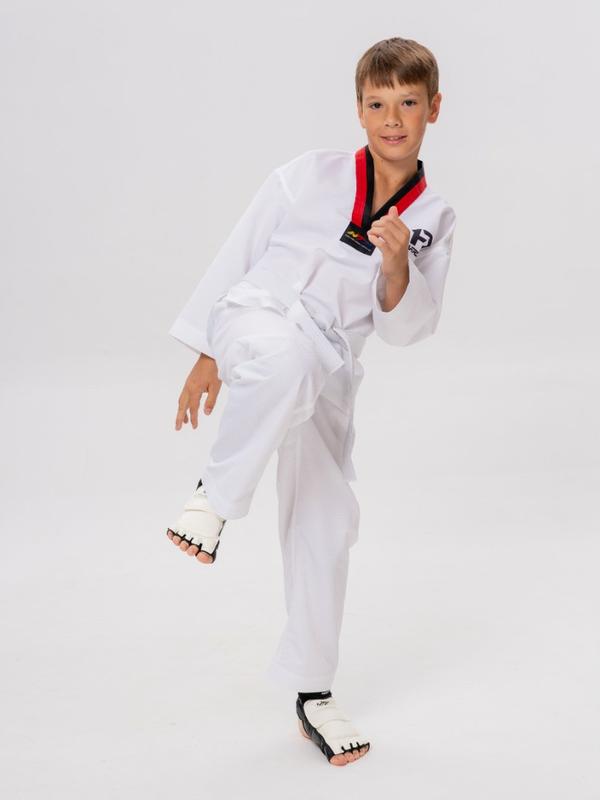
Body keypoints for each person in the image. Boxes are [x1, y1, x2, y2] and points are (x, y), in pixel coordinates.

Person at [165, 36, 457, 766]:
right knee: (284, 359)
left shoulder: (434, 216)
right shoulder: (308, 174)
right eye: (377, 104)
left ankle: (313, 692)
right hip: (258, 320)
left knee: (327, 522)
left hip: (330, 367)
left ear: (434, 109)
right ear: (358, 110)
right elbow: (241, 248)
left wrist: (397, 265)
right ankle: (215, 496)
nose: (392, 119)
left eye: (408, 104)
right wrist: (206, 349)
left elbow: (407, 329)